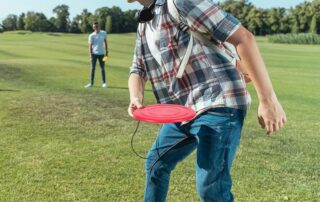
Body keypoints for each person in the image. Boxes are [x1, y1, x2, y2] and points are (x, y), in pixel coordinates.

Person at [127, 0, 287, 201]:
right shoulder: (144, 23)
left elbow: (244, 38)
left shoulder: (180, 2)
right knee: (156, 163)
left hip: (218, 102)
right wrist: (136, 97)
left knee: (211, 188)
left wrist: (268, 100)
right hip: (183, 110)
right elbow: (138, 69)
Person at [85, 21, 109, 88]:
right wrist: (90, 56)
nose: (96, 27)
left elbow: (105, 42)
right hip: (94, 54)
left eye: (97, 26)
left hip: (102, 54)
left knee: (102, 68)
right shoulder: (91, 35)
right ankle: (91, 83)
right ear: (93, 27)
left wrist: (107, 52)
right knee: (92, 69)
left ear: (99, 26)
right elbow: (90, 46)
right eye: (95, 27)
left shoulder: (103, 33)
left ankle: (104, 83)